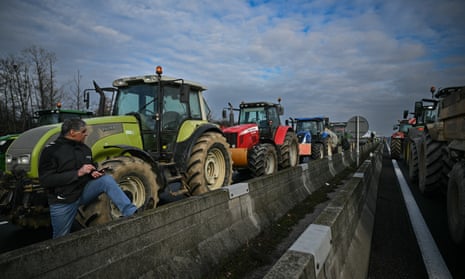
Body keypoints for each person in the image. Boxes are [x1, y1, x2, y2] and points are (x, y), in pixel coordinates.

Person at [39, 118, 137, 238]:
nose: (86, 134)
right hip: (63, 200)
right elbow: (45, 180)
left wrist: (93, 173)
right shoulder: (51, 151)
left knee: (106, 180)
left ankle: (131, 213)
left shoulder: (85, 149)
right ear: (72, 132)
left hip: (83, 192)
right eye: (83, 131)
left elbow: (89, 167)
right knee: (60, 240)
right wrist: (78, 173)